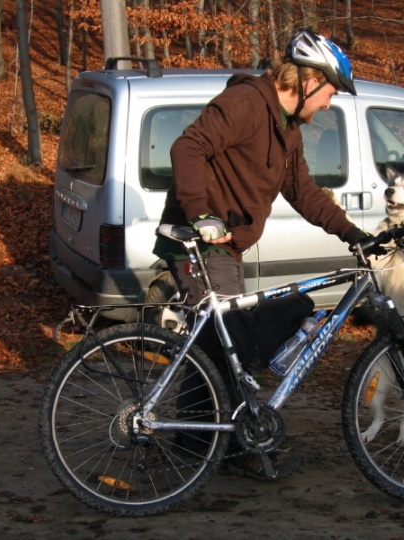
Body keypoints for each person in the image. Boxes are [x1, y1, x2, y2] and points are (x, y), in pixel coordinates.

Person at [154, 29, 370, 478]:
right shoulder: (248, 104)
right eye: (331, 91)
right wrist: (202, 215)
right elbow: (187, 147)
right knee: (226, 347)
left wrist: (353, 233)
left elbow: (303, 191)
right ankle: (202, 452)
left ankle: (211, 448)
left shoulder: (286, 129)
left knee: (221, 348)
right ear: (308, 80)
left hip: (226, 247)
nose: (330, 103)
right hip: (200, 243)